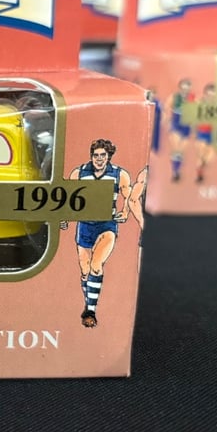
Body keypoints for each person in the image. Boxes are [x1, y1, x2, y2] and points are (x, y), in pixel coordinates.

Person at [62, 139, 131, 328]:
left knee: (96, 265)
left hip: (106, 225)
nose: (99, 159)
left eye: (103, 155)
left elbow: (129, 195)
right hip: (85, 225)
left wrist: (125, 211)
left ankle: (90, 311)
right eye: (96, 155)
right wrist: (63, 217)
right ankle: (88, 303)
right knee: (85, 270)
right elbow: (66, 196)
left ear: (108, 156)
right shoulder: (79, 172)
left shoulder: (119, 174)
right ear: (91, 156)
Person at [164, 78, 194, 182]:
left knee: (181, 151)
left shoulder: (193, 98)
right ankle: (175, 171)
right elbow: (166, 107)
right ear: (180, 87)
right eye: (183, 87)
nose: (185, 90)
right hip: (176, 124)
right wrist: (168, 120)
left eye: (187, 87)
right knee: (176, 149)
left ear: (190, 88)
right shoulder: (174, 97)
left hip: (186, 126)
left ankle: (177, 169)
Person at [194, 84, 216, 183]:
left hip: (213, 133)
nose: (211, 97)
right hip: (202, 132)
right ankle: (199, 174)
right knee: (202, 154)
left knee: (209, 156)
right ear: (205, 94)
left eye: (213, 95)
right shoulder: (199, 103)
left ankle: (201, 166)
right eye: (209, 95)